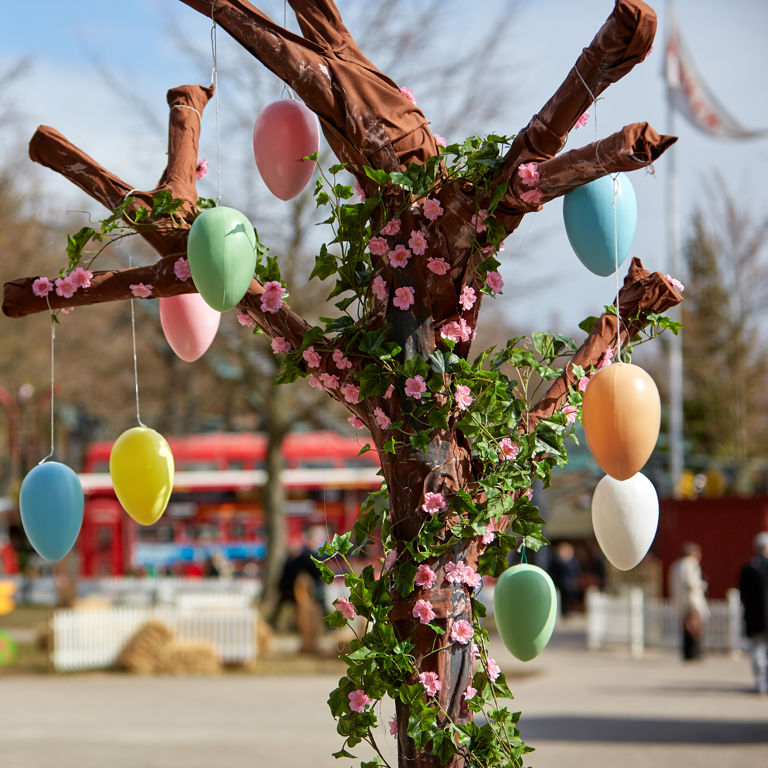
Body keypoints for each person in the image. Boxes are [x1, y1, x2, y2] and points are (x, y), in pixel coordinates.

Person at [739, 532, 768, 695]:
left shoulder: (749, 568)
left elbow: (743, 594)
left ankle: (761, 683)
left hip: (755, 618)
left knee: (757, 650)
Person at [669, 542, 709, 661]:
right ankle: (696, 652)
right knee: (695, 627)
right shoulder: (691, 564)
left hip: (680, 600)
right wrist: (702, 585)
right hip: (692, 600)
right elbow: (692, 583)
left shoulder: (676, 565)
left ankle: (687, 653)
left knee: (685, 627)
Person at [549, 541, 582, 618]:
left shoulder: (573, 561)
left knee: (568, 599)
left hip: (569, 584)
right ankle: (563, 612)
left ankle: (567, 612)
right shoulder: (557, 561)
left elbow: (577, 571)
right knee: (561, 598)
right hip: (561, 583)